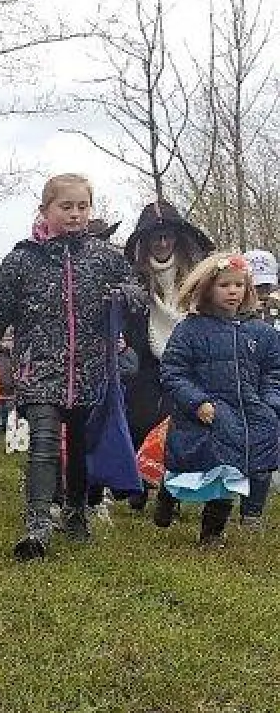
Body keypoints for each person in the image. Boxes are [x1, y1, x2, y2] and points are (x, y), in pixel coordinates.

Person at [0, 173, 143, 559]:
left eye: (82, 207)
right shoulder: (21, 260)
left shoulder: (104, 256)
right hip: (39, 369)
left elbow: (137, 289)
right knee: (44, 443)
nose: (75, 215)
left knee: (82, 447)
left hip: (89, 370)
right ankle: (37, 525)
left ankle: (76, 513)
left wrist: (128, 295)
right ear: (45, 210)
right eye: (66, 207)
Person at [158, 252, 280, 543]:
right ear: (208, 288)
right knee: (192, 466)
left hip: (252, 412)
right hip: (209, 409)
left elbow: (274, 371)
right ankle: (167, 494)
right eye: (225, 285)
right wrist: (196, 401)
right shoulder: (190, 329)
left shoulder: (262, 333)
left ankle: (221, 529)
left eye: (239, 285)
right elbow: (173, 371)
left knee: (238, 471)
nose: (233, 291)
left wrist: (271, 404)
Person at [121, 201, 213, 513]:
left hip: (188, 360)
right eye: (155, 236)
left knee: (180, 425)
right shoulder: (133, 279)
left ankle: (170, 490)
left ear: (177, 237)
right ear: (144, 241)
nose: (162, 243)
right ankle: (139, 482)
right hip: (145, 358)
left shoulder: (197, 277)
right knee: (141, 419)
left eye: (167, 235)